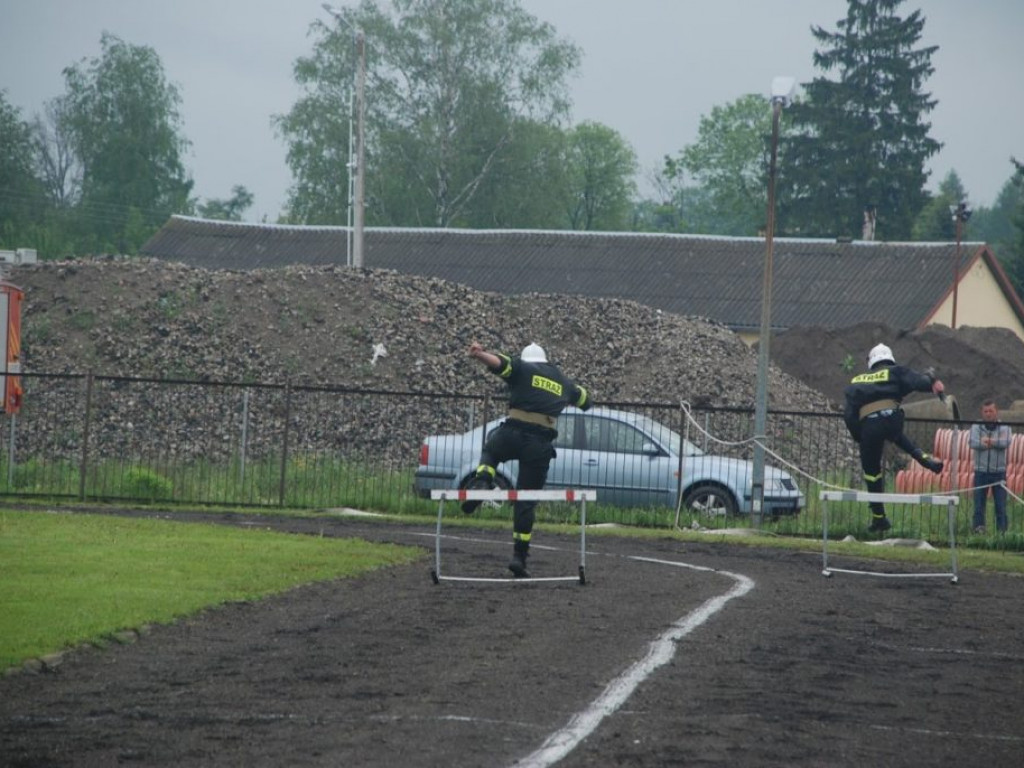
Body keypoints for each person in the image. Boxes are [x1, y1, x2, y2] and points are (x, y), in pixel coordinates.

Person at [462, 341, 592, 578]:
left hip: (511, 433)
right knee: (526, 500)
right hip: (539, 444)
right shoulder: (561, 380)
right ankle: (519, 558)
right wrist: (571, 394)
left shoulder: (522, 369)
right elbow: (586, 401)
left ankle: (482, 480)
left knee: (491, 451)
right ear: (545, 360)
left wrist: (480, 354)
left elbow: (500, 363)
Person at [843, 343, 946, 533]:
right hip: (892, 419)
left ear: (871, 361)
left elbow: (849, 415)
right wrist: (932, 382)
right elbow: (917, 381)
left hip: (870, 427)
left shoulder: (856, 381)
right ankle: (925, 460)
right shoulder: (896, 371)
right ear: (889, 358)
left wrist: (860, 437)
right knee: (897, 435)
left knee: (871, 471)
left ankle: (879, 518)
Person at [969, 399, 1011, 534]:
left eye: (991, 411)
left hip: (999, 472)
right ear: (982, 412)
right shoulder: (976, 426)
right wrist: (990, 443)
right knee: (979, 506)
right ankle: (978, 532)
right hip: (980, 472)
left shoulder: (1004, 427)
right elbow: (972, 442)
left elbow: (1005, 442)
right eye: (985, 411)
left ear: (996, 412)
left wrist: (989, 441)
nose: (988, 414)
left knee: (1000, 505)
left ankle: (1002, 534)